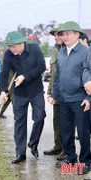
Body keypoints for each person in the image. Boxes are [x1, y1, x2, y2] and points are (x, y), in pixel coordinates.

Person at [48, 21, 91, 174]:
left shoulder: (86, 52)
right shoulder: (61, 52)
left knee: (83, 132)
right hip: (64, 100)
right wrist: (54, 94)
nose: (64, 37)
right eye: (62, 34)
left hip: (80, 99)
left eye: (68, 34)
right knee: (66, 131)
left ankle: (86, 161)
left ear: (77, 34)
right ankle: (71, 157)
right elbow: (58, 76)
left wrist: (88, 98)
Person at [0, 31, 46, 164]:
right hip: (19, 93)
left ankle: (33, 143)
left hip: (36, 91)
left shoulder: (35, 49)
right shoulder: (8, 54)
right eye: (9, 47)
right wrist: (3, 91)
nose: (11, 49)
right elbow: (4, 73)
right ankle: (20, 153)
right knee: (19, 122)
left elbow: (42, 66)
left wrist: (25, 76)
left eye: (13, 46)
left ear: (21, 43)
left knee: (39, 117)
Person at [43, 24, 67, 161]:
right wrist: (50, 92)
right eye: (55, 35)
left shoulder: (69, 50)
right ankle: (58, 146)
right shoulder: (55, 50)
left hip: (68, 93)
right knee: (56, 121)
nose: (57, 37)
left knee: (67, 122)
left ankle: (66, 150)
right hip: (56, 93)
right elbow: (52, 74)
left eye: (59, 34)